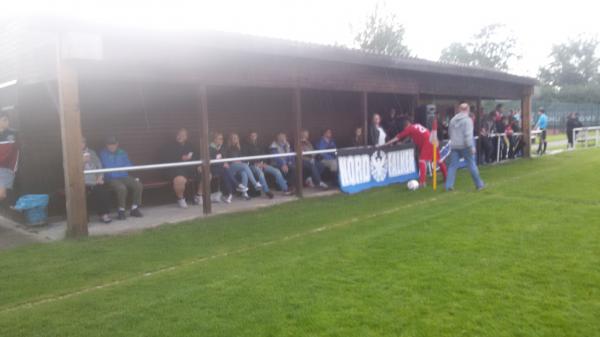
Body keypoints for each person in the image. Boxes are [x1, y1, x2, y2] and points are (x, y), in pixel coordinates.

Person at [382, 118, 447, 187]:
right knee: (438, 160)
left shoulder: (409, 128)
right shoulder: (417, 125)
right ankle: (446, 177)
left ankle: (422, 182)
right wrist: (402, 142)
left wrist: (387, 143)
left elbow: (398, 137)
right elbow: (411, 136)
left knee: (422, 160)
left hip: (427, 143)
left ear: (406, 126)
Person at [99, 136, 143, 220]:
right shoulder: (103, 153)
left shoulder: (122, 152)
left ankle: (134, 208)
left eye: (113, 144)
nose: (111, 146)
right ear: (106, 145)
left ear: (117, 144)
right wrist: (119, 168)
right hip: (111, 177)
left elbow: (128, 164)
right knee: (121, 188)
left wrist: (124, 168)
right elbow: (107, 166)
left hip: (124, 176)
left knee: (138, 185)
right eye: (109, 144)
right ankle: (121, 210)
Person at [445, 103, 484, 191]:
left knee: (452, 166)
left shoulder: (452, 120)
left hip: (454, 145)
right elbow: (468, 135)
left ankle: (448, 186)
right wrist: (471, 147)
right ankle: (479, 184)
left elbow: (449, 133)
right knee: (471, 164)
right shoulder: (468, 120)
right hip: (465, 146)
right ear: (468, 109)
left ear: (459, 109)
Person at [160, 128, 202, 208]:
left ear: (186, 137)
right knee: (180, 179)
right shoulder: (168, 146)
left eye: (183, 135)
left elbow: (197, 156)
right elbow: (165, 159)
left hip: (191, 169)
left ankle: (199, 196)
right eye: (179, 134)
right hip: (176, 170)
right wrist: (180, 158)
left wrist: (199, 165)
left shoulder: (190, 145)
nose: (180, 136)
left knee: (206, 174)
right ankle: (181, 198)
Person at [243, 131, 288, 198]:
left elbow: (264, 155)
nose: (253, 137)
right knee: (261, 173)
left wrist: (263, 163)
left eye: (255, 135)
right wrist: (255, 164)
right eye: (252, 136)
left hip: (262, 164)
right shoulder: (245, 146)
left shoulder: (260, 144)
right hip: (252, 166)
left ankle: (285, 189)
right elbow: (245, 158)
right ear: (249, 137)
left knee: (276, 171)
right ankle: (267, 191)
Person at [82, 138, 112, 223]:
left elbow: (99, 166)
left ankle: (104, 215)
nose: (81, 144)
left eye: (83, 142)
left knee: (103, 191)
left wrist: (100, 176)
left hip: (95, 179)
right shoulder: (72, 153)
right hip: (82, 181)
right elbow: (73, 171)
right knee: (83, 193)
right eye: (79, 142)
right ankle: (84, 216)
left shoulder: (91, 152)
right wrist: (82, 162)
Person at [225, 133, 261, 200]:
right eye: (233, 138)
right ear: (230, 139)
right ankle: (255, 184)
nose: (234, 139)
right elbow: (226, 159)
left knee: (244, 173)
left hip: (239, 166)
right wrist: (233, 162)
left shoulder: (238, 148)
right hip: (231, 167)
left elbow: (242, 158)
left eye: (236, 138)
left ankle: (244, 193)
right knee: (245, 166)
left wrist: (240, 161)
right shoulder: (227, 148)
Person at [209, 132, 243, 203]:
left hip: (221, 168)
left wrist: (225, 163)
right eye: (220, 139)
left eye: (222, 139)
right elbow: (212, 161)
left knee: (226, 173)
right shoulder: (210, 147)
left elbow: (223, 157)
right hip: (213, 168)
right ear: (215, 139)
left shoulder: (221, 147)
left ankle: (230, 194)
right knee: (226, 171)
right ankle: (237, 185)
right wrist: (223, 163)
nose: (222, 140)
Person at [0, 111, 19, 203]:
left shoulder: (13, 133)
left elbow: (12, 152)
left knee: (1, 194)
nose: (7, 122)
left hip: (6, 168)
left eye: (7, 120)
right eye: (4, 120)